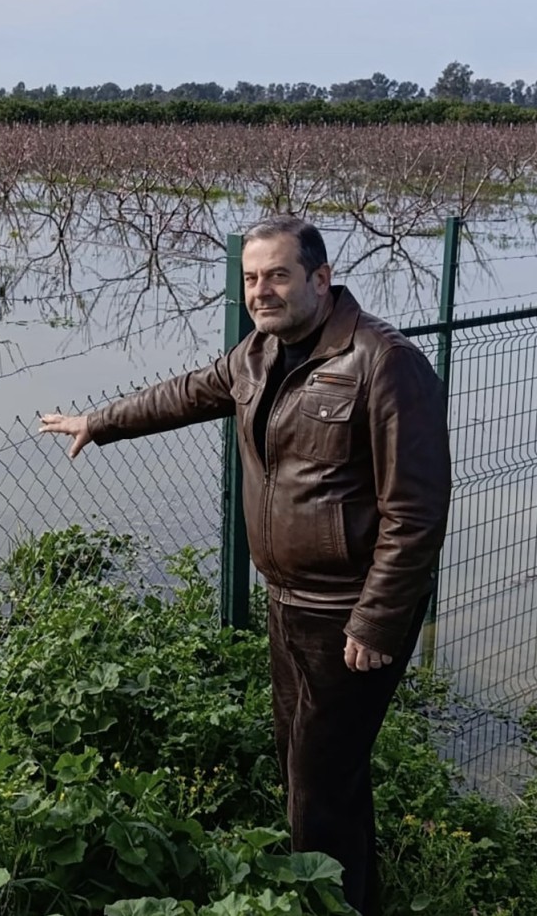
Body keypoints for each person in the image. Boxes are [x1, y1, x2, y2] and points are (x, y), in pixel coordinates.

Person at [38, 215, 452, 914]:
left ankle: (324, 901)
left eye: (279, 275)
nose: (262, 291)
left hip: (347, 609)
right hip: (288, 598)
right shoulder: (260, 353)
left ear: (321, 279)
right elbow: (188, 392)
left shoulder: (383, 361)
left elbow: (415, 512)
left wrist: (376, 621)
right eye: (252, 278)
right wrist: (98, 421)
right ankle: (348, 893)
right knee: (314, 764)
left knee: (318, 780)